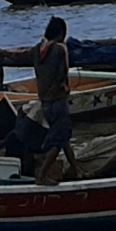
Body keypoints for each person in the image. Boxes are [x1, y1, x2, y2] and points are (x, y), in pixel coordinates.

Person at [33, 15, 79, 184]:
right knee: (58, 141)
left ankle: (76, 170)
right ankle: (42, 176)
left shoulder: (38, 49)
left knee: (64, 138)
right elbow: (63, 71)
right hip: (59, 101)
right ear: (61, 33)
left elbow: (17, 55)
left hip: (45, 103)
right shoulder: (61, 48)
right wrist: (63, 86)